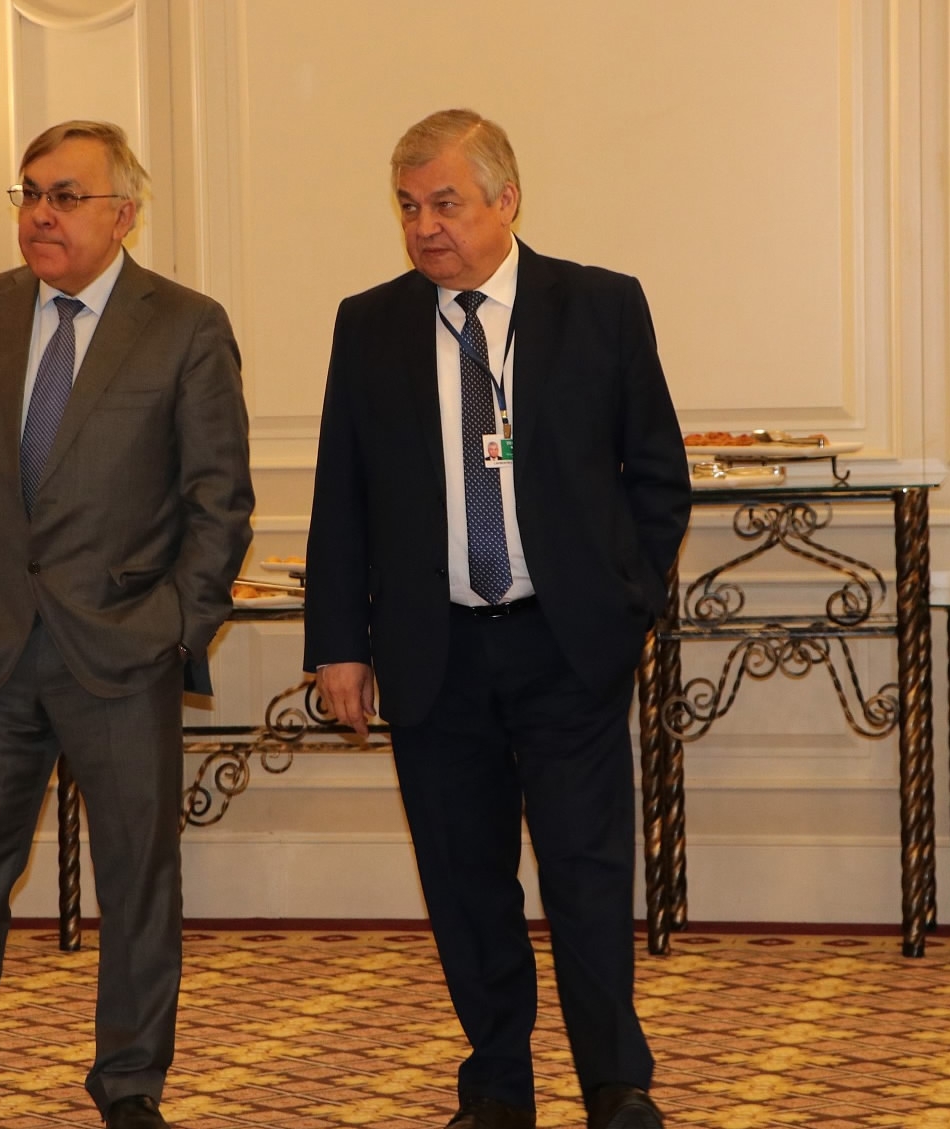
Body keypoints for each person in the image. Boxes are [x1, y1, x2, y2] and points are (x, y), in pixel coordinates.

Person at [303, 109, 692, 1129]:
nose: (424, 227)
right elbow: (341, 495)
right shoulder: (369, 324)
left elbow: (657, 476)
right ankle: (496, 1087)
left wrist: (624, 605)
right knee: (465, 881)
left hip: (566, 645)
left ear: (505, 199)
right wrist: (339, 644)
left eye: (445, 203)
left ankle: (615, 1084)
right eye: (407, 207)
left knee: (586, 875)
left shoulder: (599, 306)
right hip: (433, 651)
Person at [0, 119, 253, 1129]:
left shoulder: (184, 325)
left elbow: (218, 499)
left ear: (123, 213)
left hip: (121, 650)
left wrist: (175, 624)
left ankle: (129, 1084)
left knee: (137, 878)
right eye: (29, 193)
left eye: (65, 195)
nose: (41, 214)